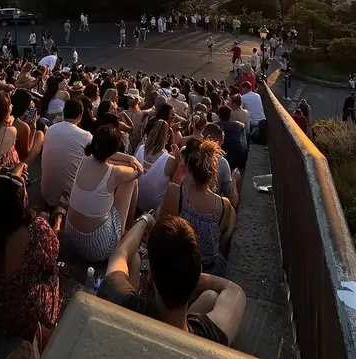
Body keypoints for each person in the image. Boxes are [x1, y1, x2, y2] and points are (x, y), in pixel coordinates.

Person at [98, 214, 246, 345]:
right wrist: (189, 275)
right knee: (211, 296)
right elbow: (234, 290)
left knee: (210, 297)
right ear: (198, 272)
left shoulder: (124, 305)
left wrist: (145, 220)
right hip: (182, 332)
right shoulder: (209, 340)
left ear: (151, 277)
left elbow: (120, 255)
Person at [0, 167, 60, 342]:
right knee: (52, 274)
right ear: (21, 204)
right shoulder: (37, 231)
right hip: (23, 321)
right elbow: (50, 264)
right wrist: (57, 220)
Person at [65, 125, 142, 262]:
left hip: (72, 235)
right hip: (97, 248)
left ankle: (124, 229)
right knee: (130, 182)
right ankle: (126, 231)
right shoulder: (114, 173)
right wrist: (132, 159)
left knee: (120, 181)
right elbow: (138, 171)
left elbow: (107, 158)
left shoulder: (84, 159)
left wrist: (124, 158)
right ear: (113, 150)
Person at [159, 140, 236, 275]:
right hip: (209, 268)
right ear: (213, 174)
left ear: (190, 169)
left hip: (178, 266)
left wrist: (178, 176)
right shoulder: (224, 205)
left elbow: (162, 222)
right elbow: (222, 233)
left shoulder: (176, 192)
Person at [41, 99, 92, 207]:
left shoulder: (50, 130)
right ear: (80, 116)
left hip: (46, 194)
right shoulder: (86, 136)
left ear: (64, 112)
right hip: (70, 199)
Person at [134, 120, 179, 213]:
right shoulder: (170, 161)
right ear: (167, 137)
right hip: (154, 212)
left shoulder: (139, 148)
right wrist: (178, 157)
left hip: (134, 203)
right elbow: (176, 184)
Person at [11, 89, 44, 163]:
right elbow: (25, 154)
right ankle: (23, 167)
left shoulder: (5, 118)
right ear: (25, 108)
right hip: (12, 161)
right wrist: (33, 129)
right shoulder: (22, 127)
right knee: (40, 134)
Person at [216, 106, 248, 170]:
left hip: (228, 159)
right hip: (242, 158)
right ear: (230, 116)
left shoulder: (217, 127)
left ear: (218, 116)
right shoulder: (238, 125)